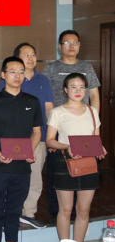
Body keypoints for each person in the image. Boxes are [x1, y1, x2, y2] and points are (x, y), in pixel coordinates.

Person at [0, 57, 42, 242]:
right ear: (3, 75)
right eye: (13, 71)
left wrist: (30, 150)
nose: (18, 76)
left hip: (22, 168)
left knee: (14, 211)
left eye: (21, 72)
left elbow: (37, 132)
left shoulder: (32, 102)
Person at [42, 30, 101, 222]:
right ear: (60, 47)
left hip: (83, 126)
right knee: (58, 172)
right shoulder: (51, 68)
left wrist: (92, 120)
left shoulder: (86, 66)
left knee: (84, 169)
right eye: (67, 43)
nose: (71, 46)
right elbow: (47, 99)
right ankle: (57, 213)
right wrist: (54, 129)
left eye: (75, 42)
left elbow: (94, 95)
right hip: (59, 126)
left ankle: (78, 214)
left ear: (79, 45)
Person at [46, 73, 107, 242]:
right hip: (65, 162)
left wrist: (100, 148)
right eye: (73, 87)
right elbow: (50, 140)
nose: (78, 91)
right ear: (66, 90)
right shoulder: (57, 112)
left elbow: (95, 138)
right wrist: (67, 146)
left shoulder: (92, 111)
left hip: (89, 163)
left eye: (81, 87)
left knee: (83, 210)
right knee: (65, 210)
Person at [0, 43, 54, 230]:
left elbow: (49, 108)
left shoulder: (43, 80)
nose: (31, 58)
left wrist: (51, 134)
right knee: (10, 175)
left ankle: (28, 213)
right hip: (13, 138)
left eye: (33, 54)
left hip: (38, 136)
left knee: (35, 177)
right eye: (26, 54)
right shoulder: (9, 78)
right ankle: (9, 212)